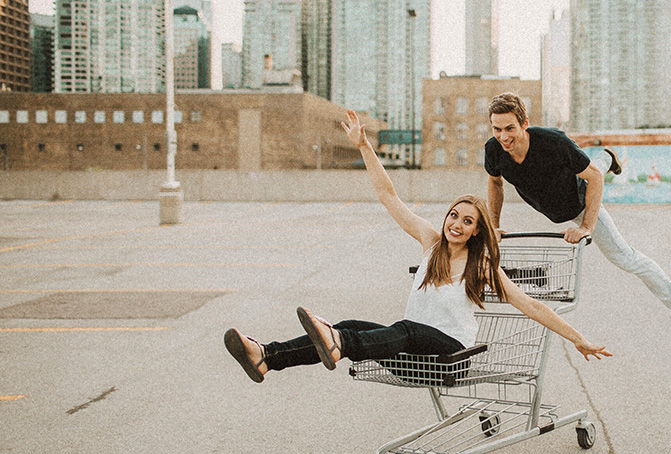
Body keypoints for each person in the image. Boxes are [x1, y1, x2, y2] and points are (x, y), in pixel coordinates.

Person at [223, 110, 612, 383]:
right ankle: (267, 356)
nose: (456, 224)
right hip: (412, 356)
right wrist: (364, 146)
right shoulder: (430, 241)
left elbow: (533, 306)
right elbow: (389, 196)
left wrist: (580, 340)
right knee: (351, 326)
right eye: (454, 216)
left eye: (468, 221)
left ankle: (338, 342)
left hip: (450, 358)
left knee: (399, 330)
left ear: (477, 231)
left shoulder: (481, 266)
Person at [484, 92, 671, 353]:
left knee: (625, 257)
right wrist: (493, 225)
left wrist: (586, 227)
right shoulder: (494, 150)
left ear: (524, 123)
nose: (503, 136)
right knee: (590, 167)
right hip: (553, 205)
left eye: (510, 128)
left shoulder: (554, 142)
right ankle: (608, 158)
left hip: (580, 203)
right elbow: (495, 183)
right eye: (497, 129)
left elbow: (594, 179)